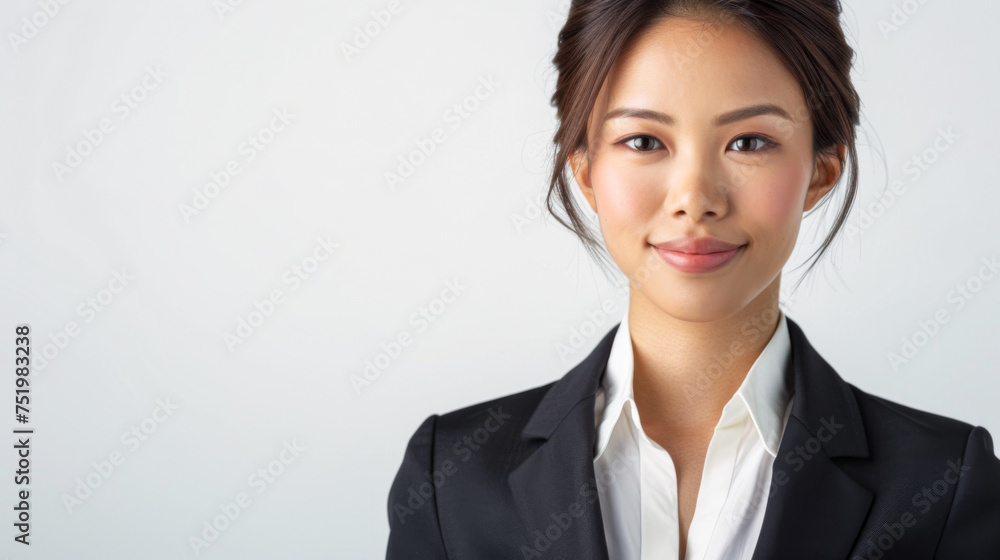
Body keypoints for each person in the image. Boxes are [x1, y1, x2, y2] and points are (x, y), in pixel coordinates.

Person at [385, 1, 1000, 558]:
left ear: (821, 169)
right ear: (586, 170)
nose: (695, 199)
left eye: (750, 141)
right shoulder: (452, 478)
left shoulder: (943, 481)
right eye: (644, 140)